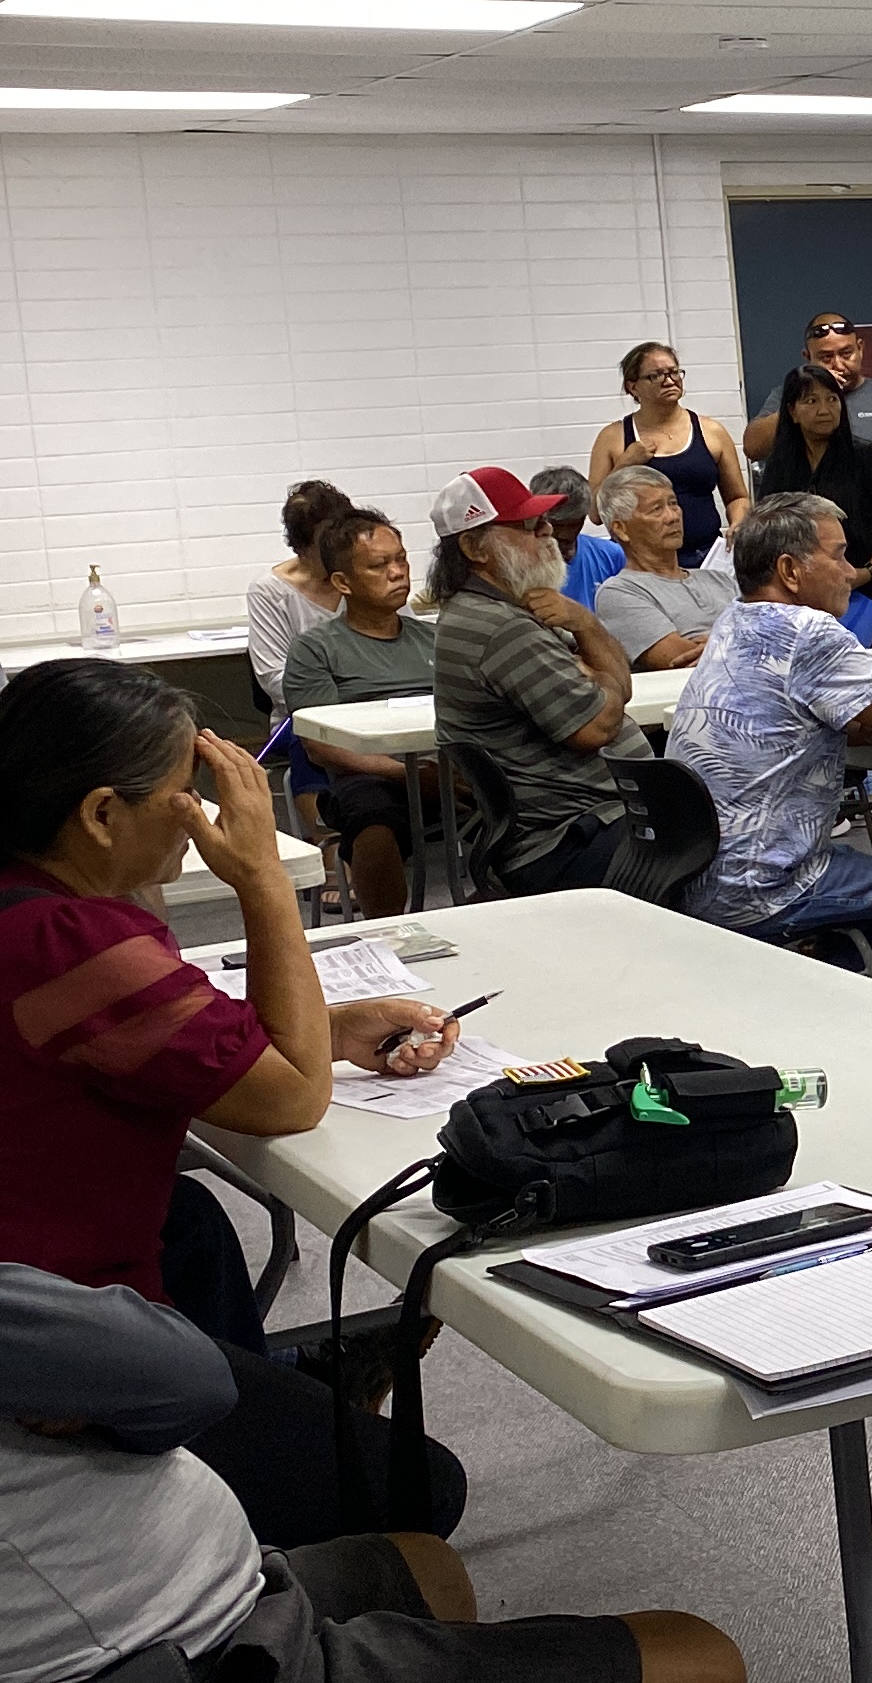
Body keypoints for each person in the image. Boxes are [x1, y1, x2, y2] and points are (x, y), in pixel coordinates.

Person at [0, 658, 470, 1546]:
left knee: (195, 1223)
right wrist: (258, 877)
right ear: (100, 814)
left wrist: (324, 1027)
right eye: (185, 793)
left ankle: (277, 1395)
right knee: (420, 1486)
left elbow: (145, 1033)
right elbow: (291, 1099)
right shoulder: (71, 942)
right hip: (44, 1341)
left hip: (27, 1266)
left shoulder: (29, 907)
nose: (206, 815)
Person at [0, 1263, 746, 1683]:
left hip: (182, 1594)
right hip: (186, 1656)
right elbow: (187, 1378)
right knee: (698, 1656)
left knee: (422, 1563)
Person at [668, 495, 872, 982]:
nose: (851, 570)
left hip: (697, 874)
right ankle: (814, 990)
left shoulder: (733, 620)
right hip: (765, 884)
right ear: (790, 570)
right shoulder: (809, 631)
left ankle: (806, 967)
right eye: (838, 555)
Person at [429, 467, 634, 896]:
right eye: (528, 525)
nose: (548, 532)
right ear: (473, 547)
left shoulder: (501, 610)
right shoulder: (502, 629)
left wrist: (585, 624)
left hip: (587, 824)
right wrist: (600, 679)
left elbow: (618, 689)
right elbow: (598, 726)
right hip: (570, 839)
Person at [743, 313, 872, 642]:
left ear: (860, 349)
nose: (839, 363)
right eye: (825, 357)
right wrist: (808, 388)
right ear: (808, 357)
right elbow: (753, 446)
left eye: (846, 353)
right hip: (806, 575)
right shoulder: (787, 409)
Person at [278, 510, 436, 920]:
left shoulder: (435, 639)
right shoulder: (316, 649)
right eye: (380, 565)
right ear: (343, 583)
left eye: (401, 559)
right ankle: (386, 931)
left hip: (447, 767)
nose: (398, 572)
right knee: (372, 816)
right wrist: (409, 773)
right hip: (370, 775)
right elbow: (320, 744)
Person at [749, 365, 872, 644]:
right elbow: (768, 525)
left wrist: (870, 570)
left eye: (832, 399)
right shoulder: (781, 461)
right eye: (811, 401)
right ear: (792, 412)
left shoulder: (864, 454)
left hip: (859, 586)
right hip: (801, 596)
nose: (824, 409)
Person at [587, 340, 748, 569]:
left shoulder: (711, 431)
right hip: (644, 565)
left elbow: (737, 497)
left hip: (707, 559)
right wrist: (624, 465)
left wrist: (739, 524)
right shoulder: (613, 438)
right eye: (656, 375)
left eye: (674, 372)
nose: (669, 380)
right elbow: (595, 513)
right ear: (633, 387)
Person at [591, 466, 738, 670]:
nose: (672, 517)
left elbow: (781, 635)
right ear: (621, 529)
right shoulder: (618, 592)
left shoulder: (720, 578)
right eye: (656, 509)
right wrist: (742, 640)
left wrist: (716, 645)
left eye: (673, 504)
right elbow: (680, 658)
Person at [244, 480, 357, 707]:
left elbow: (416, 651)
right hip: (307, 721)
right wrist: (357, 696)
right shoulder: (269, 592)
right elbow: (275, 679)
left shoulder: (367, 574)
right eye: (326, 545)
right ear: (300, 547)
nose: (337, 553)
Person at [531, 465, 624, 609]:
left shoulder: (611, 555)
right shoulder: (523, 563)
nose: (564, 534)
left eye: (573, 523)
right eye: (556, 524)